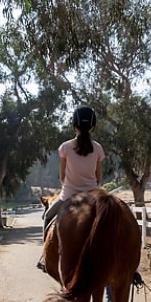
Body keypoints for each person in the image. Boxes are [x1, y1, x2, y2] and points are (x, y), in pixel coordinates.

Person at [39, 106, 105, 268]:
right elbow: (98, 177)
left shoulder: (65, 147)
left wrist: (71, 185)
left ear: (74, 126)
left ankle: (45, 258)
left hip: (68, 196)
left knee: (47, 217)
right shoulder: (98, 148)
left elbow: (62, 177)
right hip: (93, 196)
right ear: (93, 126)